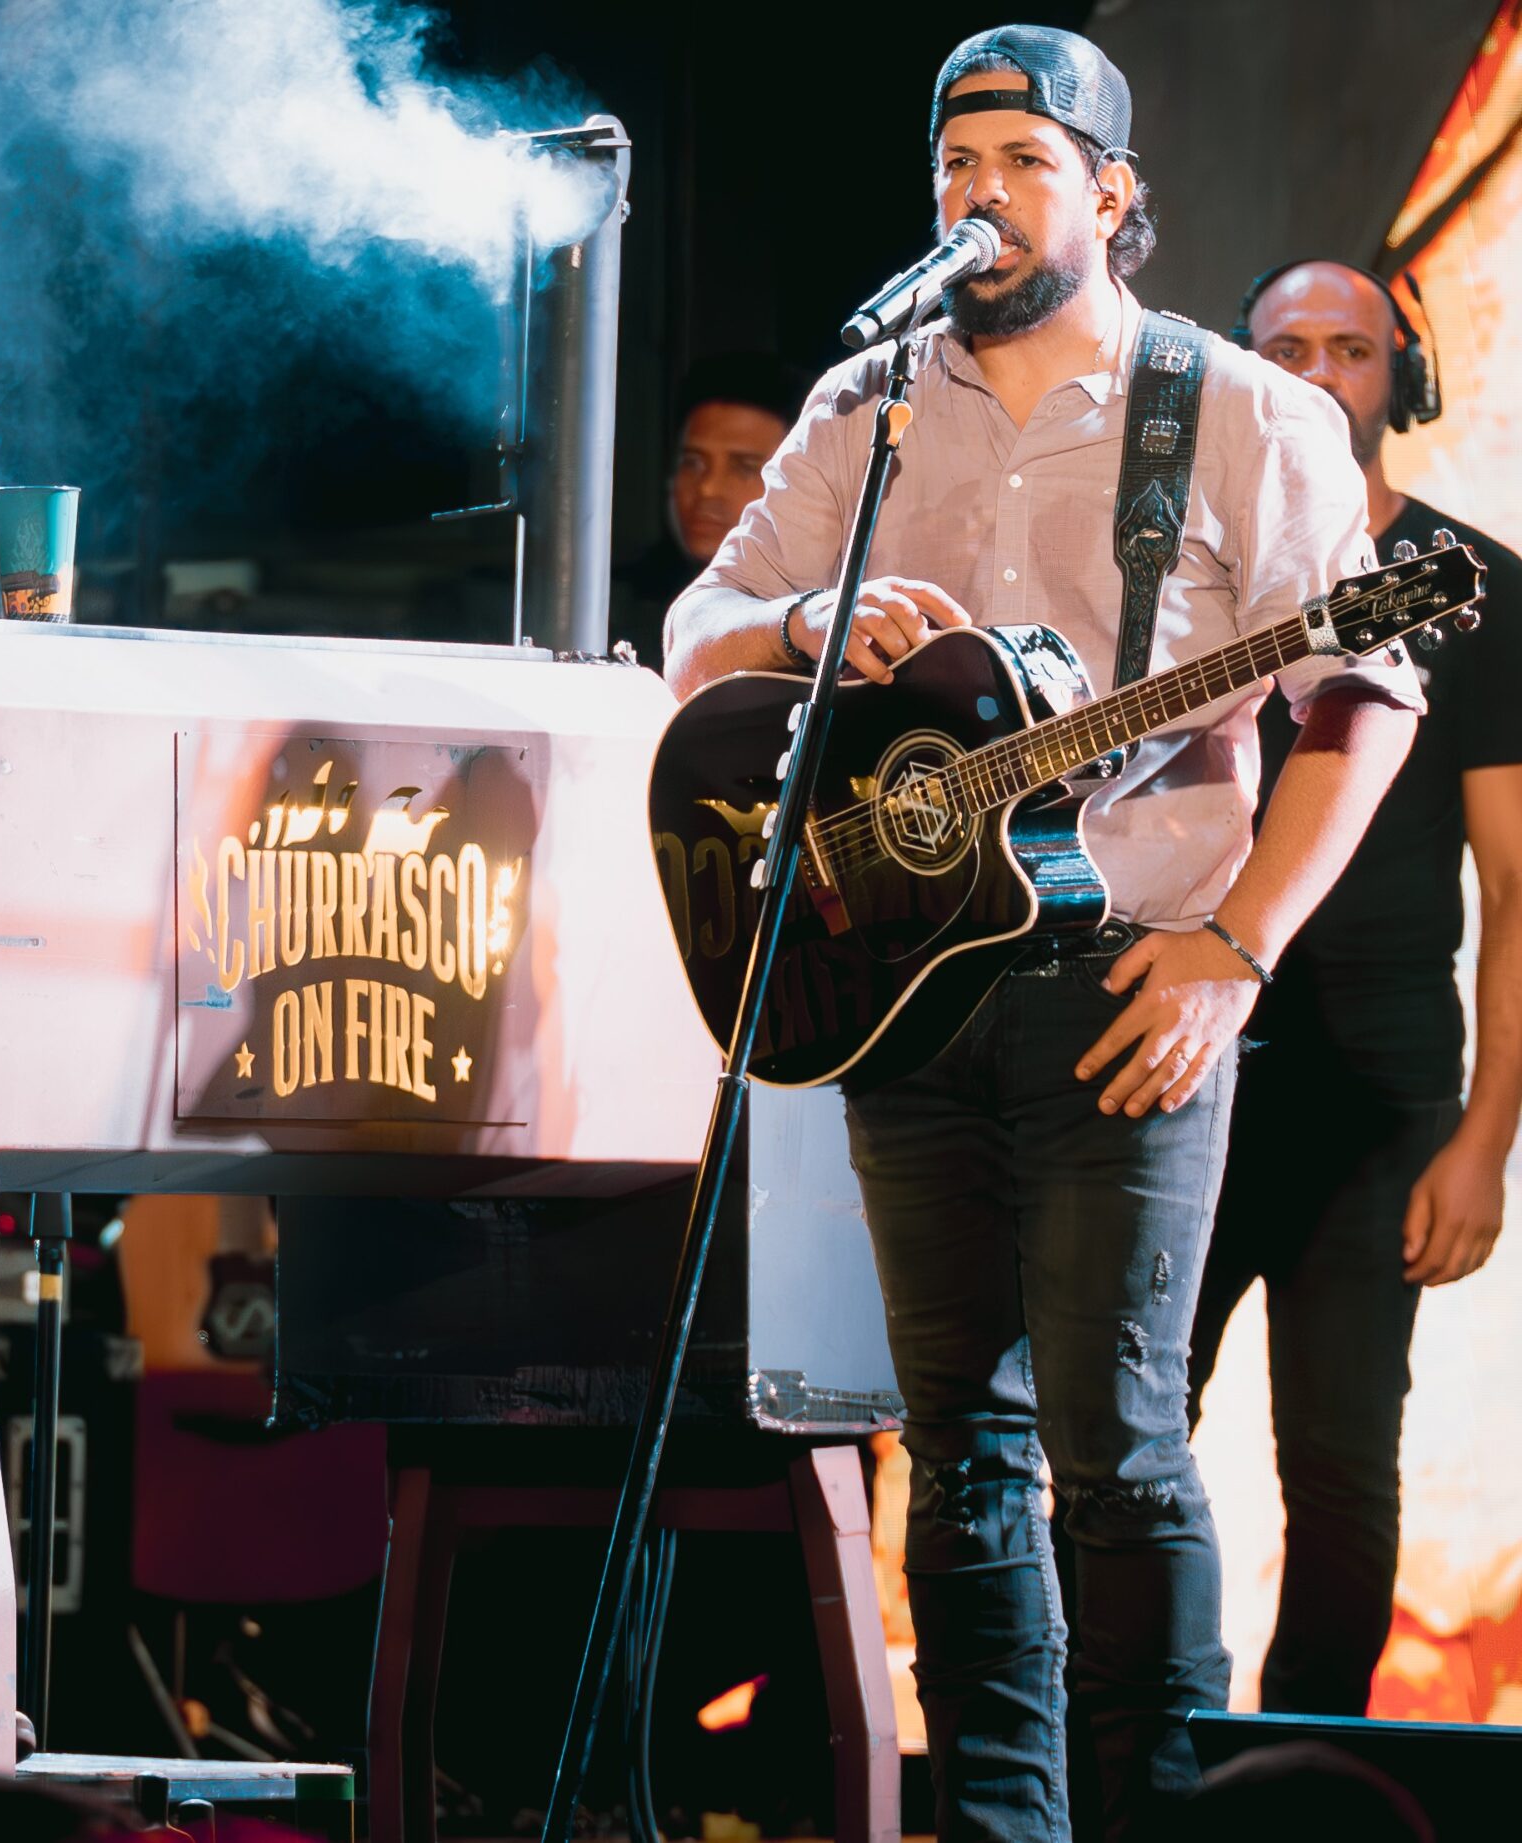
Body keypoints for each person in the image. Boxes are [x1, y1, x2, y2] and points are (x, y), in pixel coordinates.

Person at [661, 27, 1421, 1842]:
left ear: (1111, 191)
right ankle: (1003, 1822)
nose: (977, 195)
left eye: (1019, 159)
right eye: (954, 163)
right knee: (960, 1445)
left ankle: (1151, 1811)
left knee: (1116, 1440)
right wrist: (797, 640)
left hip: (1129, 978)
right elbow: (695, 628)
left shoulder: (1231, 409)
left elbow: (1361, 696)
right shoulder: (868, 407)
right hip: (903, 985)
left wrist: (1236, 945)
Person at [1189, 258, 1521, 1715]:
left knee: (1336, 1461)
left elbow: (1518, 889)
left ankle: (1296, 1784)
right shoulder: (1184, 573)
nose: (1322, 375)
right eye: (1287, 350)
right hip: (1174, 1060)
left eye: (1353, 348)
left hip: (1380, 1092)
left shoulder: (1481, 586)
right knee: (1119, 1439)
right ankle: (1135, 1750)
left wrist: (1485, 1139)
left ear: (1403, 378)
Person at [614, 355, 810, 666]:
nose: (708, 489)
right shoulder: (611, 607)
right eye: (693, 463)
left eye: (744, 468)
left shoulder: (816, 623)